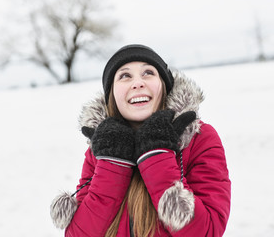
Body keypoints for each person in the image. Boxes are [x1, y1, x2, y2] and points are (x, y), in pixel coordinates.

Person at [50, 44, 231, 237]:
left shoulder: (199, 138)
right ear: (112, 94)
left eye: (148, 73)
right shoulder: (99, 148)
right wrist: (113, 163)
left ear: (163, 85)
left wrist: (157, 155)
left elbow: (208, 232)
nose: (137, 83)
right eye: (125, 76)